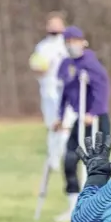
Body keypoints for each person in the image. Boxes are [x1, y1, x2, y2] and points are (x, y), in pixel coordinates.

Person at [53, 25, 111, 222]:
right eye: (68, 42)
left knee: (96, 164)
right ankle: (73, 206)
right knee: (70, 159)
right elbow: (64, 93)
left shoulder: (91, 63)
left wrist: (93, 112)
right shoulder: (65, 64)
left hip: (96, 119)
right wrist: (60, 116)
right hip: (78, 118)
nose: (71, 46)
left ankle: (97, 208)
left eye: (74, 41)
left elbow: (102, 91)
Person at [29, 12, 70, 174]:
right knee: (53, 125)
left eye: (57, 24)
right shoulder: (42, 47)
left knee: (65, 125)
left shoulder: (66, 46)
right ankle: (53, 158)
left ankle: (67, 156)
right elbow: (37, 68)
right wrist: (39, 69)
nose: (54, 27)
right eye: (51, 24)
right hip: (48, 90)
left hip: (65, 91)